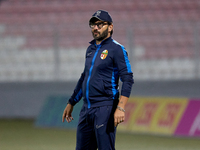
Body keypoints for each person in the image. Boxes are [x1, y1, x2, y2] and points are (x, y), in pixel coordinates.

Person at [62, 10, 134, 150]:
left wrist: (121, 107)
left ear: (110, 27)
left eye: (100, 24)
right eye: (93, 24)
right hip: (86, 109)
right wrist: (71, 102)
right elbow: (85, 77)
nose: (95, 28)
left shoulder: (117, 49)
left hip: (105, 108)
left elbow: (128, 79)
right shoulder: (90, 49)